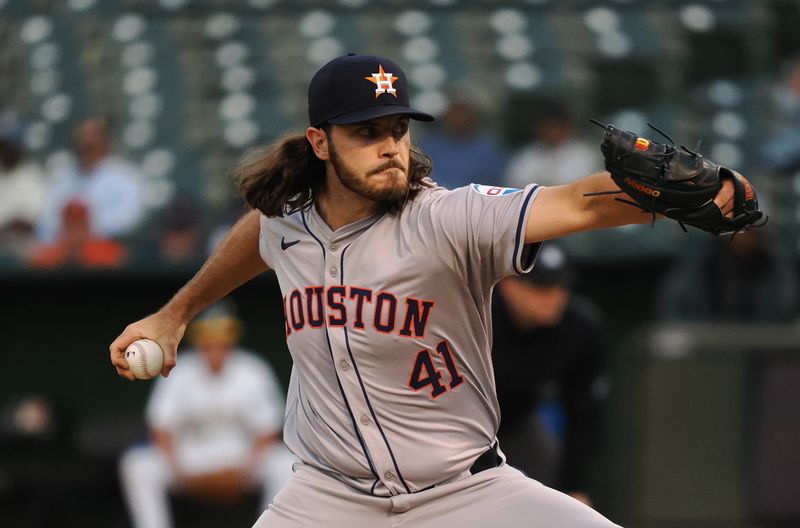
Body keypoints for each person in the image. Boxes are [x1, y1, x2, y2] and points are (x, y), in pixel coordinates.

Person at [109, 54, 737, 528]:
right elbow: (262, 228)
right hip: (327, 500)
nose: (389, 147)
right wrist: (175, 314)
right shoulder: (287, 223)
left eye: (398, 129)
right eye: (366, 132)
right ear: (320, 143)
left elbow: (575, 204)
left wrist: (696, 193)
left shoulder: (448, 218)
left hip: (464, 494)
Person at [119, 301, 295, 528]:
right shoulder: (179, 369)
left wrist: (243, 472)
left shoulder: (253, 369)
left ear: (232, 336)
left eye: (221, 337)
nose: (215, 346)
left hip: (242, 458)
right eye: (209, 337)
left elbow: (268, 432)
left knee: (286, 463)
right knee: (137, 464)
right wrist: (182, 473)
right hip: (188, 459)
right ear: (198, 337)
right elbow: (160, 429)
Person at [492, 243, 606, 507]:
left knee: (548, 486)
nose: (554, 297)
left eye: (559, 286)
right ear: (508, 285)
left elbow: (584, 412)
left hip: (519, 419)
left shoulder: (580, 327)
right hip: (460, 423)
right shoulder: (475, 315)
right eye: (540, 288)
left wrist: (574, 486)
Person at [36, 116, 146, 243]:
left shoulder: (126, 178)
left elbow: (129, 221)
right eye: (81, 139)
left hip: (107, 252)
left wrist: (83, 230)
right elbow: (46, 220)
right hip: (63, 251)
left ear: (105, 141)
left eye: (91, 140)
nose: (84, 144)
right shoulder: (61, 177)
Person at [657, 230, 797, 322]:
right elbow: (673, 309)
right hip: (702, 345)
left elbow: (783, 315)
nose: (744, 236)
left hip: (760, 349)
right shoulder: (697, 265)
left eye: (751, 229)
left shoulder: (777, 272)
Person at [504, 99, 602, 189]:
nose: (548, 131)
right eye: (543, 126)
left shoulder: (585, 157)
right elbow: (514, 188)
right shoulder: (526, 156)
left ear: (565, 126)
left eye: (552, 126)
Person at [418, 95, 507, 189]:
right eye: (455, 114)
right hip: (437, 198)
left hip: (478, 199)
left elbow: (495, 182)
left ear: (473, 117)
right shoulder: (430, 145)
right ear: (446, 117)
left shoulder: (489, 148)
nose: (459, 119)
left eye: (463, 114)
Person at [27, 199, 127, 269]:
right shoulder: (49, 253)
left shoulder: (108, 250)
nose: (75, 232)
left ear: (87, 226)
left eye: (79, 225)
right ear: (63, 227)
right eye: (71, 225)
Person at [0, 111, 46, 259]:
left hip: (24, 254)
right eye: (3, 145)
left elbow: (29, 222)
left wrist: (11, 223)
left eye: (9, 145)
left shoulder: (33, 175)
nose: (6, 150)